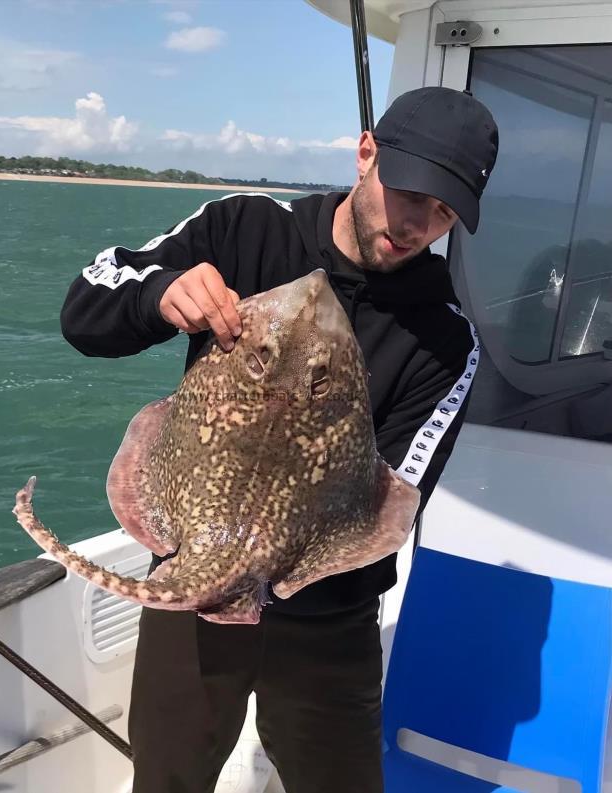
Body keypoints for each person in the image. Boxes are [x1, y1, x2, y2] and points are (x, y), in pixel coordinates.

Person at [60, 86, 499, 793]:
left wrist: (274, 559)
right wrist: (160, 296)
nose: (417, 223)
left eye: (444, 212)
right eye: (409, 191)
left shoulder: (447, 341)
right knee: (166, 778)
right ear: (367, 153)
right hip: (191, 575)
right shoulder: (247, 230)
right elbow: (84, 311)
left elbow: (388, 496)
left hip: (328, 616)